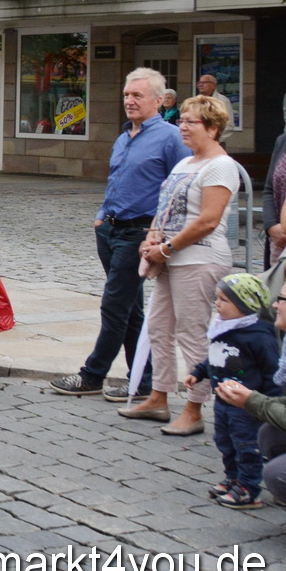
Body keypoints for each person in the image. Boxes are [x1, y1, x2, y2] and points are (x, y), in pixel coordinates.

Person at [51, 68, 190, 400]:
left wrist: (159, 232)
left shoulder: (170, 138)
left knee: (114, 306)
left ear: (159, 100)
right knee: (130, 309)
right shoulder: (123, 136)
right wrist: (101, 217)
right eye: (127, 94)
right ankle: (142, 380)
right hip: (110, 232)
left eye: (137, 95)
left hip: (138, 234)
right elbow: (115, 181)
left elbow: (182, 187)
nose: (129, 100)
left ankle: (92, 375)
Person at [123, 95, 240, 436]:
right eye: (181, 121)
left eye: (191, 122)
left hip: (200, 260)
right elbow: (165, 208)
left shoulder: (221, 165)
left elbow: (208, 220)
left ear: (213, 128)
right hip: (169, 258)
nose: (182, 127)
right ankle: (158, 397)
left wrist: (167, 248)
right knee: (158, 328)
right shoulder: (185, 163)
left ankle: (194, 407)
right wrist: (151, 240)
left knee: (192, 333)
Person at [186, 273, 280, 508]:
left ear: (245, 305)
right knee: (225, 442)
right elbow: (215, 357)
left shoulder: (259, 336)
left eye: (224, 300)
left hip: (246, 405)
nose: (217, 304)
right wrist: (199, 372)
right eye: (217, 298)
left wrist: (269, 403)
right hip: (223, 400)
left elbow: (272, 371)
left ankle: (249, 488)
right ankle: (233, 477)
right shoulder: (224, 327)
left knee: (246, 445)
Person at [218, 275, 286, 512]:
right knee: (270, 434)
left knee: (277, 473)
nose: (275, 305)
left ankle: (249, 488)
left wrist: (255, 402)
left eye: (283, 298)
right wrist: (249, 401)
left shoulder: (260, 337)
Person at [197, 72, 233, 137]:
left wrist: (214, 139)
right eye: (199, 82)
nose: (200, 85)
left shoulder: (222, 101)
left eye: (204, 82)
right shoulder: (195, 101)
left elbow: (228, 125)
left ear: (214, 85)